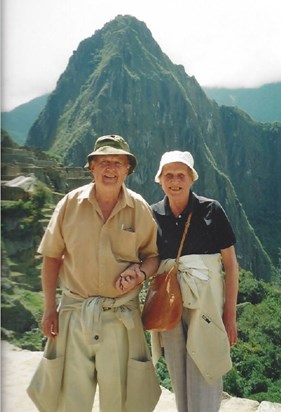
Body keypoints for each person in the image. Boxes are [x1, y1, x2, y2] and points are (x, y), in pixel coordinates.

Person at [27, 135, 161, 412]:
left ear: (128, 169)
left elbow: (153, 257)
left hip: (120, 318)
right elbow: (52, 257)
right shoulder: (69, 205)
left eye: (117, 162)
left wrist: (139, 274)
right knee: (70, 400)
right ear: (91, 167)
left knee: (120, 401)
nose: (110, 168)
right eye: (103, 161)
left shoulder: (139, 209)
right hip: (75, 315)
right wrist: (49, 308)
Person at [150, 150, 239, 412]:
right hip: (171, 304)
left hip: (207, 305)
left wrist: (230, 315)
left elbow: (231, 264)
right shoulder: (153, 214)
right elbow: (151, 258)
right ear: (160, 179)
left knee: (206, 365)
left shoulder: (210, 210)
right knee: (178, 369)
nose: (174, 181)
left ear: (191, 178)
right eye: (168, 175)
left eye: (181, 175)